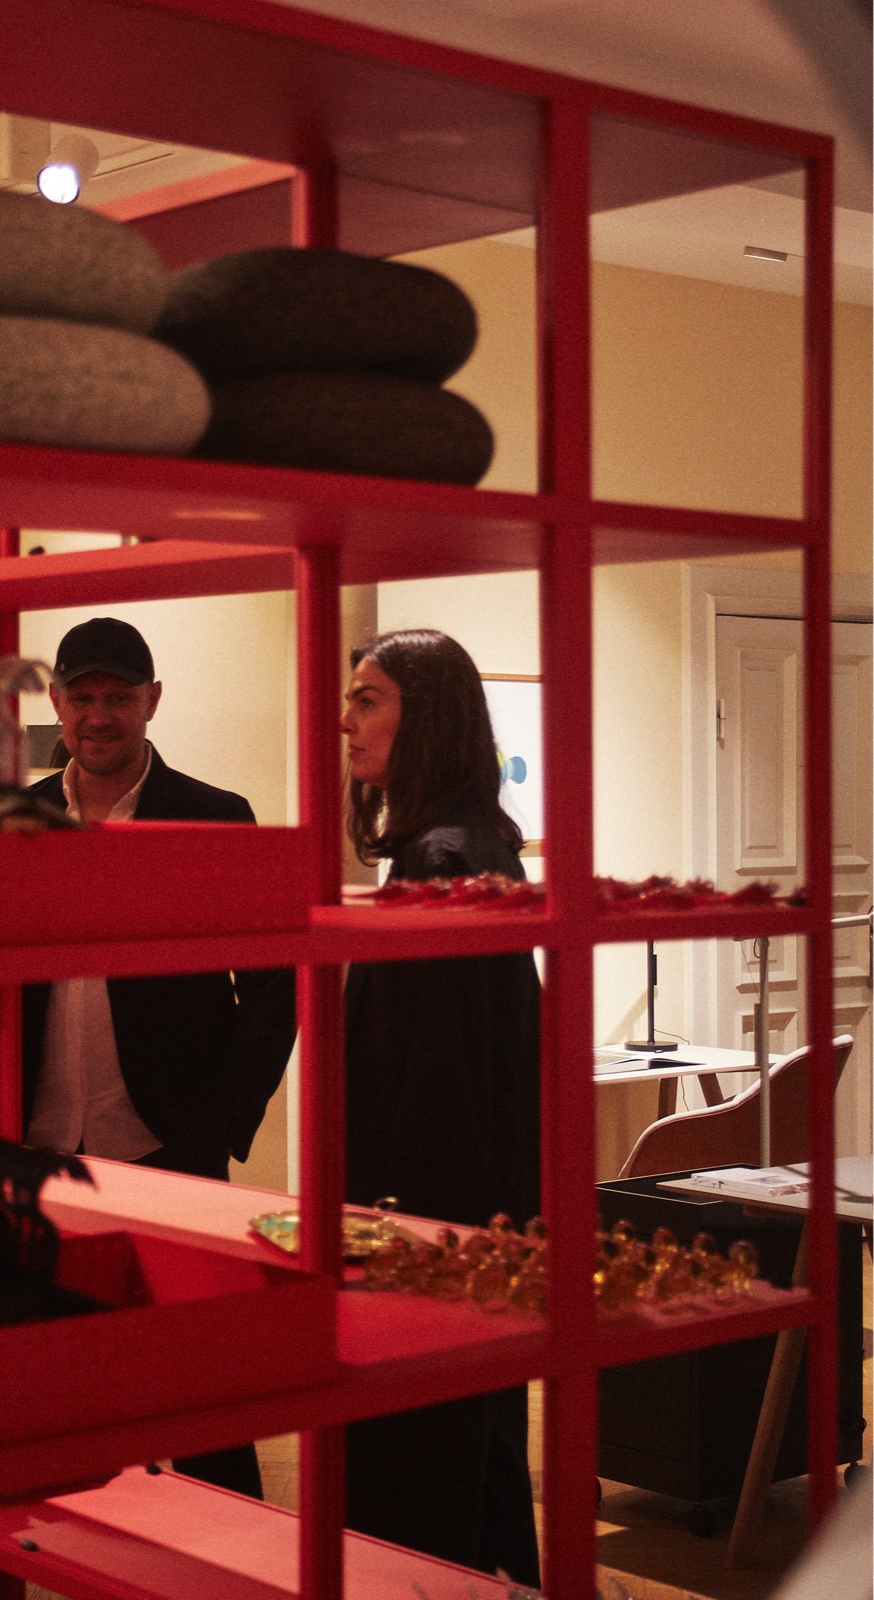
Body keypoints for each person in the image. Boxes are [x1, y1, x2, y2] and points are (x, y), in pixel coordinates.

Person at [0, 616, 297, 1497]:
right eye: (83, 697)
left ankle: (232, 1574)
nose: (100, 715)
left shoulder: (216, 818)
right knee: (43, 1391)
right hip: (34, 1152)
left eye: (119, 697)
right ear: (57, 704)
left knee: (198, 1393)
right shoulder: (10, 822)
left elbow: (273, 986)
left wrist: (225, 1119)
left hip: (168, 1146)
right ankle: (63, 1556)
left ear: (153, 702)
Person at [339, 627, 542, 1587]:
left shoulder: (447, 852)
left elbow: (446, 1078)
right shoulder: (455, 841)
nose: (347, 721)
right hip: (462, 1221)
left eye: (369, 699)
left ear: (429, 717)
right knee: (476, 1465)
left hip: (437, 1228)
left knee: (428, 1478)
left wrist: (401, 1235)